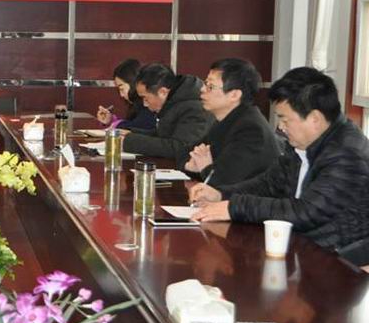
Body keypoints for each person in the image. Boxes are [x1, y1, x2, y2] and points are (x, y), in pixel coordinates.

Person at [190, 67, 369, 256]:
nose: (281, 127)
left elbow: (306, 211)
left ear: (314, 119)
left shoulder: (347, 154)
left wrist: (234, 207)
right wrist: (221, 194)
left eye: (285, 119)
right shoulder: (303, 143)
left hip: (338, 259)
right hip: (300, 247)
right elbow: (268, 184)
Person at [184, 58, 280, 187]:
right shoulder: (226, 120)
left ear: (234, 95)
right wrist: (192, 167)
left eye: (210, 86)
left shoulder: (251, 130)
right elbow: (185, 153)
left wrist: (205, 167)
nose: (202, 89)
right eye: (205, 84)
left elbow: (226, 183)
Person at [121, 63, 214, 167]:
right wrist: (131, 133)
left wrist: (129, 141)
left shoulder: (195, 109)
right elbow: (164, 134)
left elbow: (180, 147)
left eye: (145, 98)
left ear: (163, 92)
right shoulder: (176, 102)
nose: (144, 104)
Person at [95, 58, 157, 132]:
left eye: (121, 88)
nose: (121, 95)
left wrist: (116, 125)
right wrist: (110, 120)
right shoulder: (137, 106)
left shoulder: (149, 104)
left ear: (133, 82)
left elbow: (136, 127)